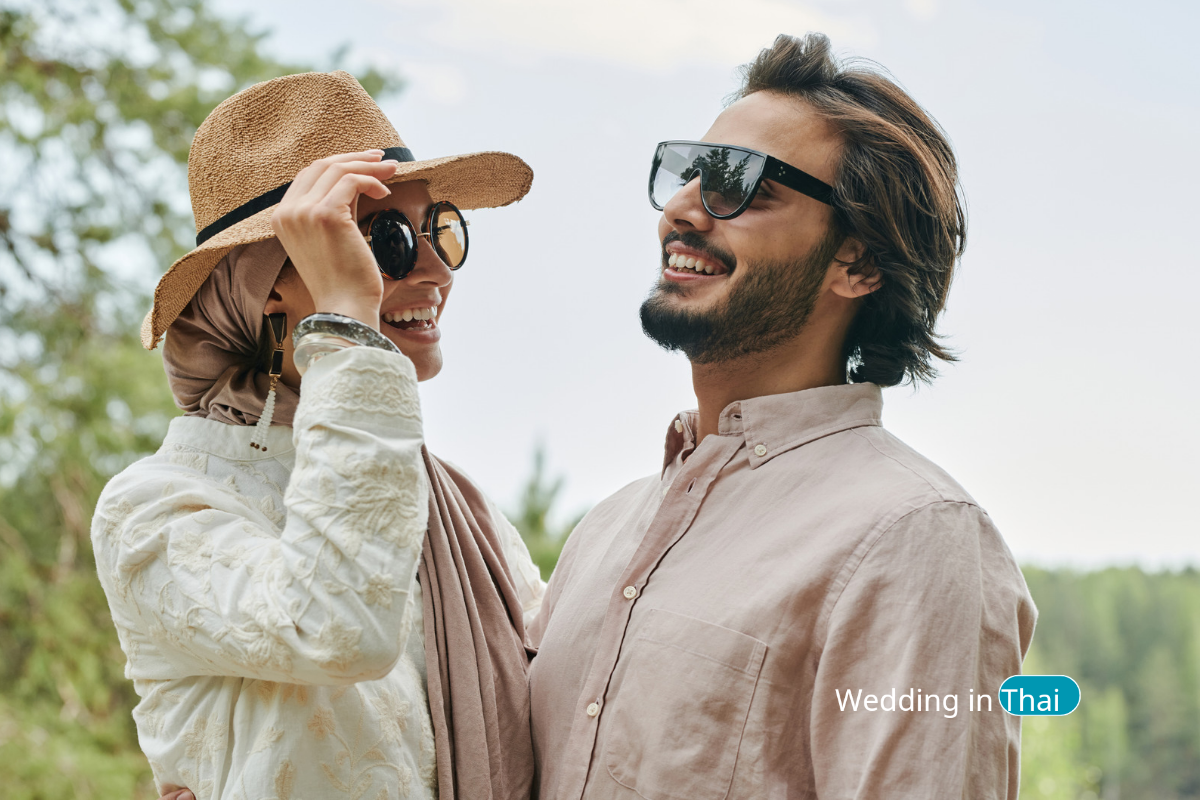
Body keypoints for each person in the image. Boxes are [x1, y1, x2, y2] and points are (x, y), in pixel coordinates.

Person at [526, 33, 1036, 800]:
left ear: (857, 262)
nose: (684, 208)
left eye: (740, 184)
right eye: (689, 172)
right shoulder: (606, 531)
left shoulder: (914, 536)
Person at [90, 71, 544, 800]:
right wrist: (347, 321)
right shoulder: (153, 508)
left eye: (441, 230)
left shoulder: (461, 510)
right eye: (387, 241)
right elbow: (334, 625)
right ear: (267, 283)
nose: (433, 271)